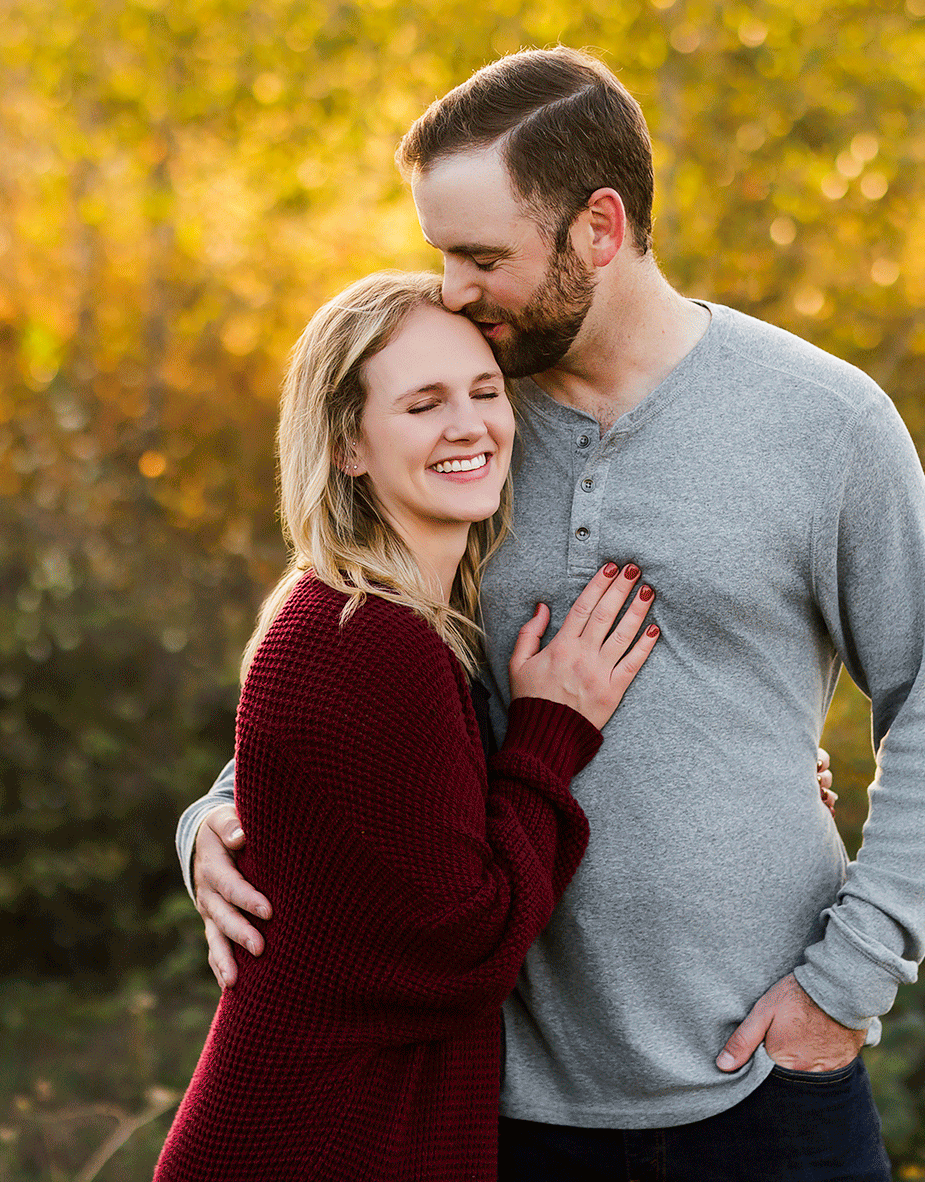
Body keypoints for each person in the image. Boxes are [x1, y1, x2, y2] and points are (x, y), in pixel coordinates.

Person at [181, 49, 925, 1181]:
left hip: (763, 1079)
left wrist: (845, 985)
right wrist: (219, 819)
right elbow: (353, 632)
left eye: (481, 257)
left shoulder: (824, 421)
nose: (454, 291)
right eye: (440, 256)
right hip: (506, 1099)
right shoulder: (462, 421)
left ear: (598, 230)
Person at [152, 270, 663, 1182]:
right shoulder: (364, 640)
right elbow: (466, 947)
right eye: (424, 404)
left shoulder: (391, 621)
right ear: (348, 444)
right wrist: (552, 726)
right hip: (313, 1143)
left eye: (484, 392)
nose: (470, 426)